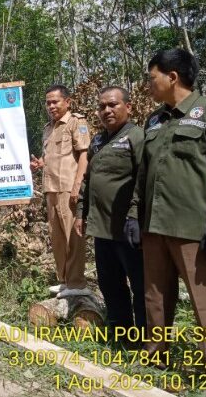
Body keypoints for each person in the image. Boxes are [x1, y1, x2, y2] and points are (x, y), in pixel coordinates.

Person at [126, 49, 206, 393]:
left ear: (172, 76)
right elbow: (144, 172)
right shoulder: (155, 120)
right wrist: (133, 213)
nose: (148, 84)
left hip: (193, 227)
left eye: (152, 77)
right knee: (155, 297)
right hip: (154, 225)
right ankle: (155, 357)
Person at [74, 86, 145, 335]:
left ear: (128, 107)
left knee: (140, 284)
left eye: (113, 105)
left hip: (128, 228)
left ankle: (146, 337)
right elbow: (87, 180)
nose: (107, 110)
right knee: (110, 283)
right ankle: (121, 333)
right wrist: (81, 213)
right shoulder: (98, 140)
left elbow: (144, 181)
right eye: (102, 106)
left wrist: (135, 216)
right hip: (101, 227)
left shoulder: (137, 137)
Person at [30, 84, 91, 298]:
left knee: (72, 236)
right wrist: (41, 163)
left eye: (55, 101)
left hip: (68, 189)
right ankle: (65, 281)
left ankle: (77, 282)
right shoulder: (49, 127)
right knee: (57, 237)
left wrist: (78, 186)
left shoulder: (76, 122)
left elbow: (84, 154)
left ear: (68, 102)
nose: (51, 106)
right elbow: (54, 156)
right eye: (48, 102)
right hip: (51, 189)